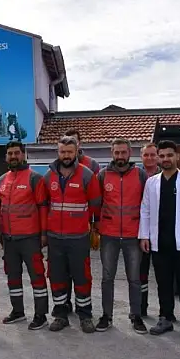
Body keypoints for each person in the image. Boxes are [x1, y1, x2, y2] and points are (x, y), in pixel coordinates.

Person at [139, 140, 180, 342]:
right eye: (162, 156)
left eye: (169, 155)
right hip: (159, 242)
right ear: (158, 158)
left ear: (177, 157)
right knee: (163, 283)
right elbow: (145, 210)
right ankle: (165, 317)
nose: (165, 159)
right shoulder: (152, 182)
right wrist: (144, 236)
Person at [42, 136, 101, 333]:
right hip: (55, 238)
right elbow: (43, 205)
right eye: (62, 152)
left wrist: (94, 228)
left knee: (82, 277)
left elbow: (95, 204)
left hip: (78, 238)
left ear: (76, 151)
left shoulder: (86, 175)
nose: (66, 155)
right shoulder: (48, 176)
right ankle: (60, 314)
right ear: (57, 152)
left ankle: (85, 315)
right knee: (57, 276)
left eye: (69, 152)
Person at [95, 138, 148, 334]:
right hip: (108, 235)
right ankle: (106, 316)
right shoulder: (102, 175)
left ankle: (136, 316)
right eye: (116, 153)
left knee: (134, 278)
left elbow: (147, 206)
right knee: (107, 277)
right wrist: (96, 227)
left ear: (130, 153)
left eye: (123, 152)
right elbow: (97, 203)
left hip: (133, 235)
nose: (120, 156)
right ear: (112, 153)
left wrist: (145, 233)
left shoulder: (140, 175)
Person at [0, 141, 50, 330]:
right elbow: (0, 209)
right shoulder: (2, 180)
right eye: (10, 153)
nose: (13, 156)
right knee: (13, 277)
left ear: (23, 155)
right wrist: (1, 234)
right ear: (6, 157)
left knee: (37, 276)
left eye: (16, 153)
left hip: (30, 238)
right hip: (9, 239)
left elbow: (43, 207)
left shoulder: (35, 178)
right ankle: (18, 311)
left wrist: (44, 235)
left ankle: (41, 314)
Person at [64, 128, 100, 312]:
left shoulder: (91, 165)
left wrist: (94, 225)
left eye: (74, 142)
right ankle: (66, 304)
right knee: (63, 271)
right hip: (62, 232)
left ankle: (83, 308)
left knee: (82, 271)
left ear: (79, 145)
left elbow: (95, 199)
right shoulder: (59, 167)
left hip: (82, 230)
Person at [139, 142, 161, 318]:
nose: (150, 158)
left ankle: (165, 311)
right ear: (141, 157)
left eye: (153, 155)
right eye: (146, 155)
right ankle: (142, 307)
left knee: (163, 274)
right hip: (142, 232)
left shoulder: (166, 175)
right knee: (141, 273)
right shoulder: (136, 175)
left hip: (163, 231)